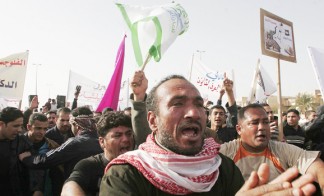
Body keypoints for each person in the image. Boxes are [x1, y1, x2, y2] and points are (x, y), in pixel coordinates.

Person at [99, 75, 316, 195]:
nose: (194, 113)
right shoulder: (125, 175)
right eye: (178, 104)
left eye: (198, 105)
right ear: (153, 121)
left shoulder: (222, 168)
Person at [219, 104, 324, 194]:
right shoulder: (225, 152)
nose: (262, 127)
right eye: (254, 123)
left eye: (265, 122)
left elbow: (316, 165)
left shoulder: (281, 149)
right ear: (239, 129)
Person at [19, 106, 103, 180]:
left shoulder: (76, 142)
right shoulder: (103, 140)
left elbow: (48, 159)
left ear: (76, 125)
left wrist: (27, 159)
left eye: (70, 123)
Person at [61, 111, 135, 195]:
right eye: (117, 135)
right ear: (102, 142)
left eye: (129, 134)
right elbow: (70, 187)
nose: (126, 139)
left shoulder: (140, 164)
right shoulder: (89, 165)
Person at [25, 112, 61, 196]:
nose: (42, 132)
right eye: (38, 128)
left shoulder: (52, 146)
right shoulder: (17, 143)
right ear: (29, 127)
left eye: (45, 129)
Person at [0, 107, 31, 195]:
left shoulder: (22, 141)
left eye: (21, 126)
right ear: (2, 124)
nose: (20, 130)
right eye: (15, 126)